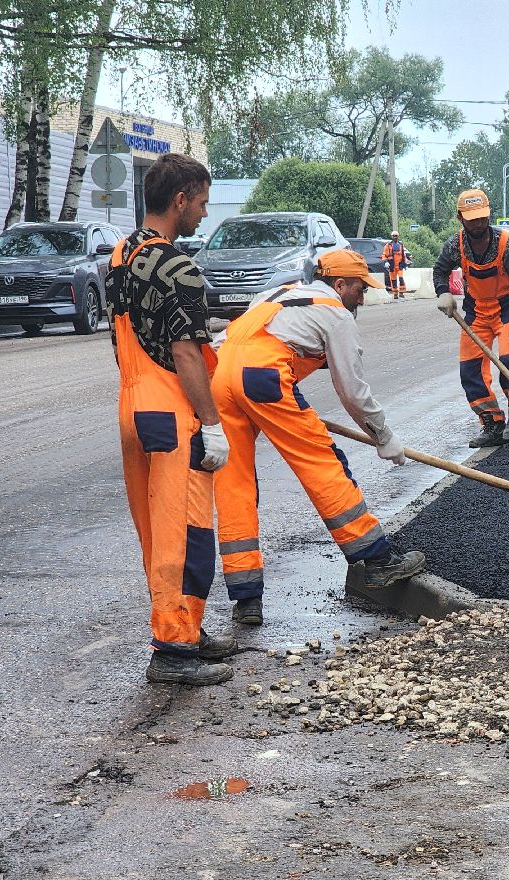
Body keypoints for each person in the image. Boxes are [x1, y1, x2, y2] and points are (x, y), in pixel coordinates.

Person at [211, 248, 426, 627]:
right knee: (322, 463)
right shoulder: (335, 315)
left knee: (234, 484)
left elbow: (226, 342)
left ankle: (246, 599)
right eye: (360, 287)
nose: (364, 295)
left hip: (220, 378)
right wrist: (382, 435)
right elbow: (353, 393)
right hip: (262, 378)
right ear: (339, 284)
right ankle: (376, 560)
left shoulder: (276, 296)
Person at [106, 152, 237, 686]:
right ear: (180, 200)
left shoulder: (121, 253)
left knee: (155, 533)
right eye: (202, 203)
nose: (204, 214)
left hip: (132, 407)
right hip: (172, 411)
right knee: (185, 534)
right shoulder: (178, 267)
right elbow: (184, 354)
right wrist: (209, 421)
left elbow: (134, 333)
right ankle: (174, 649)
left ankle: (185, 628)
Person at [431, 189, 509, 448]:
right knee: (470, 370)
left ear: (488, 214)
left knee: (508, 361)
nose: (478, 223)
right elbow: (440, 270)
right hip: (476, 312)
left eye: (482, 217)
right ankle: (491, 422)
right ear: (460, 218)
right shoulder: (455, 245)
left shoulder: (505, 244)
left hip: (507, 310)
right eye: (472, 219)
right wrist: (443, 293)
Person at [382, 230, 409, 299]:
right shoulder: (388, 246)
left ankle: (401, 292)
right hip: (392, 266)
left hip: (399, 265)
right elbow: (384, 255)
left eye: (396, 236)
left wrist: (405, 264)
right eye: (393, 236)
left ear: (398, 236)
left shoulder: (401, 245)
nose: (395, 237)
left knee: (401, 278)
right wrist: (386, 262)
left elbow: (403, 255)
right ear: (391, 237)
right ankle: (395, 294)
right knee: (393, 280)